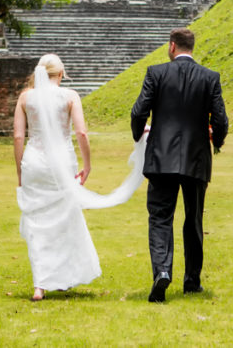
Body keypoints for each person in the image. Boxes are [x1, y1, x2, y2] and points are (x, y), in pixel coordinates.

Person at [14, 54, 146, 301]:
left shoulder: (25, 98)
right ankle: (62, 279)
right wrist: (87, 164)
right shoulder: (70, 96)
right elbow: (81, 132)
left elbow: (19, 137)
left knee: (36, 223)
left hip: (34, 161)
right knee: (65, 219)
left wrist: (21, 170)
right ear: (61, 74)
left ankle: (39, 286)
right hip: (62, 162)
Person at [131, 27, 229, 303]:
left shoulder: (156, 73)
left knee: (160, 217)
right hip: (196, 157)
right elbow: (220, 119)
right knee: (193, 219)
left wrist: (139, 136)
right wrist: (216, 141)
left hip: (161, 158)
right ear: (191, 47)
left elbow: (139, 111)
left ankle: (162, 270)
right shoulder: (210, 78)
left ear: (172, 46)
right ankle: (192, 281)